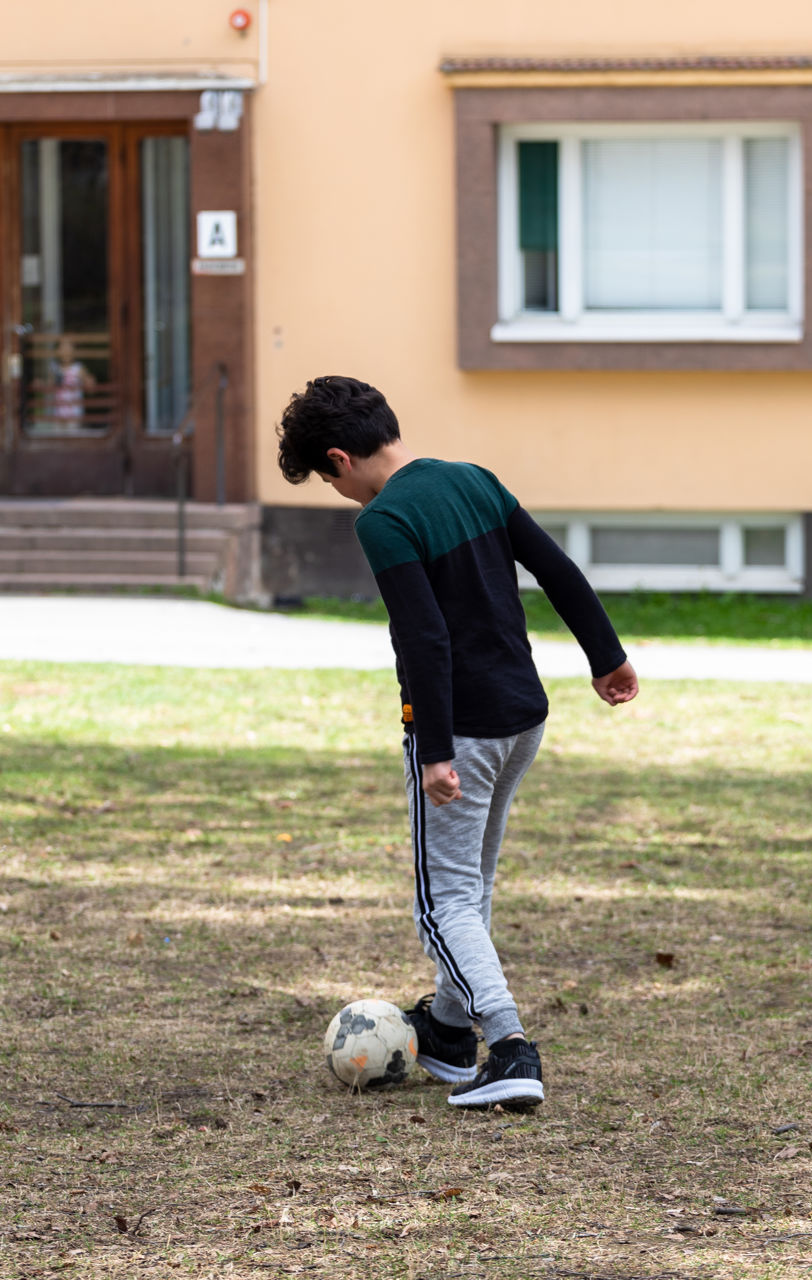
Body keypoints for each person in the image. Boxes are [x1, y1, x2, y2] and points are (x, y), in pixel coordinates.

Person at [275, 375, 638, 1110]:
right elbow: (556, 570)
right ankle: (446, 1030)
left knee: (442, 903)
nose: (335, 489)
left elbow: (424, 636)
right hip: (522, 718)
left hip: (462, 731)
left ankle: (508, 1048)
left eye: (324, 476)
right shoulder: (474, 480)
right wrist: (608, 656)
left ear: (340, 459)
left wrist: (433, 748)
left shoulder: (384, 519)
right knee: (470, 886)